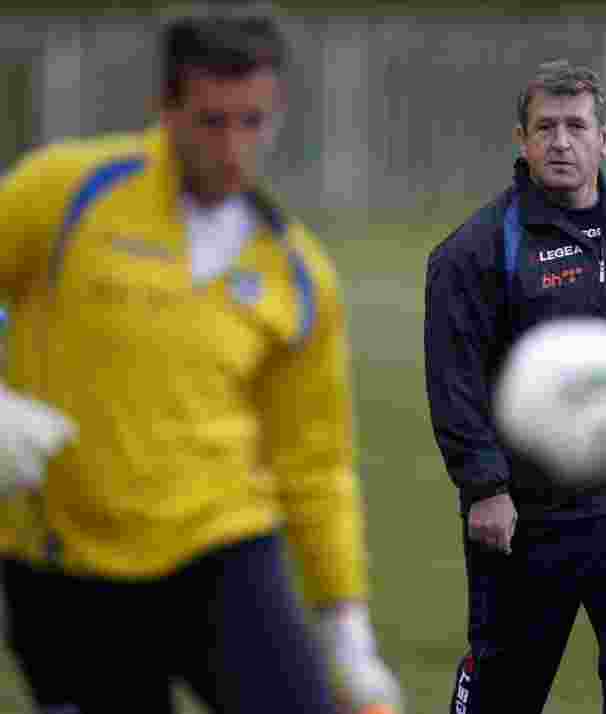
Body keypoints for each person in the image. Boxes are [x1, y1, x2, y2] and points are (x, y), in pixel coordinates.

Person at [0, 12, 401, 714]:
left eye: (254, 121)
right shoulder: (63, 194)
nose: (235, 148)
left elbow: (316, 461)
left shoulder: (295, 270)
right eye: (212, 122)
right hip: (63, 566)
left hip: (223, 549)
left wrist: (348, 634)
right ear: (165, 110)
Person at [425, 60, 606, 714]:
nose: (560, 142)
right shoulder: (477, 249)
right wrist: (485, 489)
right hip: (528, 514)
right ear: (520, 141)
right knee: (506, 692)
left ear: (604, 137)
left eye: (575, 126)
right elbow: (455, 380)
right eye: (544, 127)